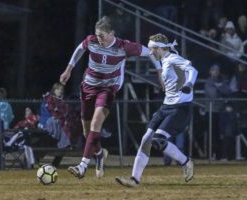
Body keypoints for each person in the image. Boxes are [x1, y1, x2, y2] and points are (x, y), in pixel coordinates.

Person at [59, 16, 162, 179]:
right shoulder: (91, 41)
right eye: (97, 35)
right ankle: (99, 154)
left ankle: (82, 166)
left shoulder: (124, 47)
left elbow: (150, 52)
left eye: (102, 36)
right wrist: (69, 69)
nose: (99, 39)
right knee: (88, 132)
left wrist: (159, 71)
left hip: (108, 88)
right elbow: (79, 49)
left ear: (112, 33)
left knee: (95, 123)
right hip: (88, 86)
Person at [115, 33, 197, 187]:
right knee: (146, 140)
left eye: (152, 49)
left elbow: (193, 70)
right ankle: (134, 179)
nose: (151, 52)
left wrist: (189, 85)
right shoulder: (165, 60)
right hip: (166, 107)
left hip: (180, 108)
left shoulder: (172, 58)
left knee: (158, 140)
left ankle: (186, 162)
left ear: (159, 48)